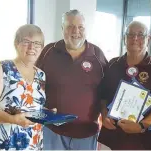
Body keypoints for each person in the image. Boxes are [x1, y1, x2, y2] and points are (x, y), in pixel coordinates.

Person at [35, 9, 107, 150]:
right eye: (70, 26)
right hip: (52, 131)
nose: (76, 31)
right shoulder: (49, 51)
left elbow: (107, 91)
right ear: (62, 28)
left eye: (80, 27)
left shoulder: (97, 55)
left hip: (86, 133)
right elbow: (35, 83)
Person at [97, 21, 151, 150]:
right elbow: (103, 96)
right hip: (110, 137)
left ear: (148, 38)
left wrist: (142, 126)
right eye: (130, 34)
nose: (135, 38)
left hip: (141, 140)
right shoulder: (113, 64)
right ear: (124, 38)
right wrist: (104, 115)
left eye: (140, 35)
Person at [0, 24, 46, 150]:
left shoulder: (41, 75)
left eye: (37, 43)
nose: (32, 47)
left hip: (34, 144)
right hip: (4, 144)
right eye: (26, 41)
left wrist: (47, 113)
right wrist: (12, 119)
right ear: (16, 43)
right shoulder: (2, 68)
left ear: (42, 47)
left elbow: (31, 106)